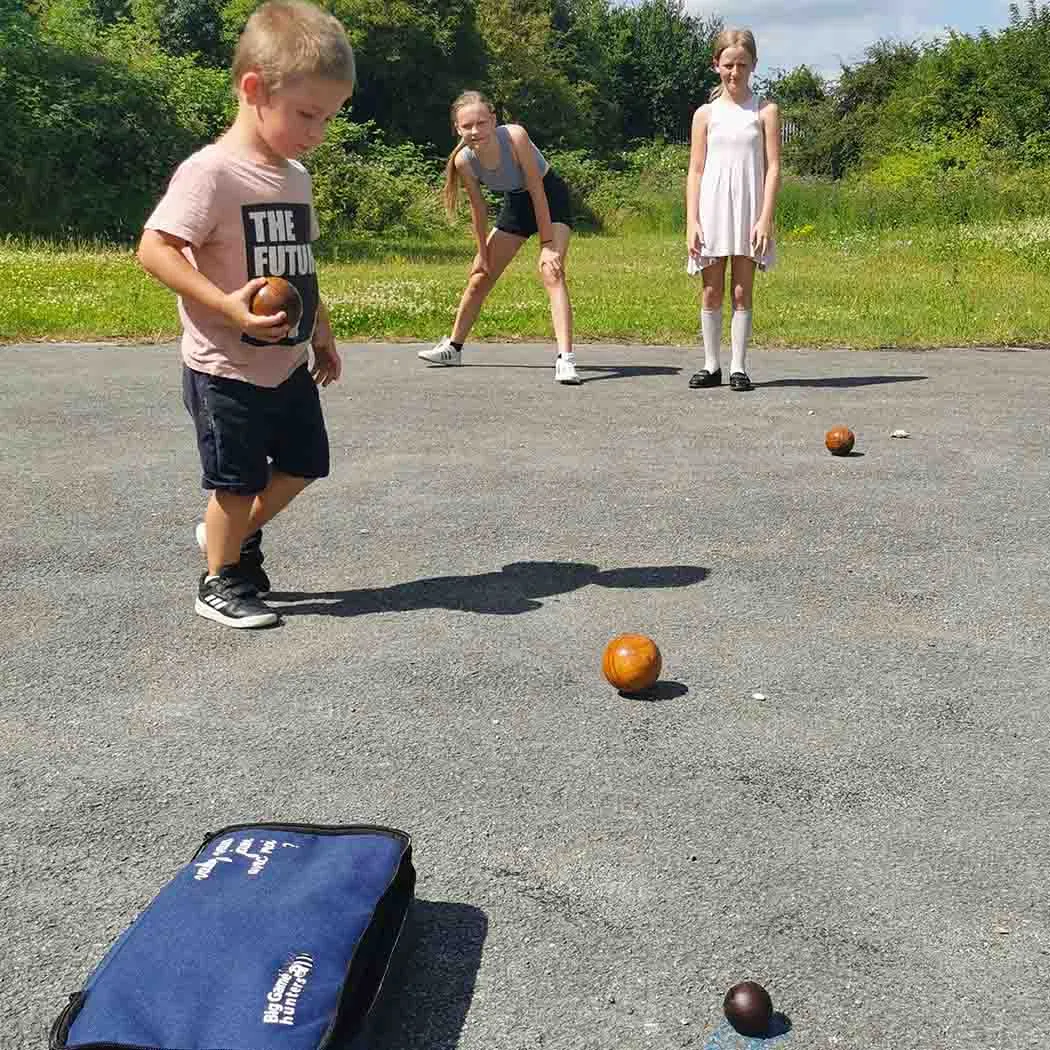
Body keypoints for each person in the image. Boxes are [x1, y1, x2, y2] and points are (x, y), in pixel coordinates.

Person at [136, 0, 354, 628]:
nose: (317, 131)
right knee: (233, 482)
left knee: (306, 463)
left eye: (329, 117)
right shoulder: (212, 173)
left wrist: (322, 332)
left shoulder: (296, 178)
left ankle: (225, 540)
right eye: (307, 114)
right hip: (224, 367)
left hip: (284, 364)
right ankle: (219, 581)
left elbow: (299, 266)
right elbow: (156, 247)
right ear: (254, 89)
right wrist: (223, 303)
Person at [418, 91, 582, 385]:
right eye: (467, 126)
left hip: (549, 197)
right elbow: (479, 211)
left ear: (493, 121)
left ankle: (566, 360)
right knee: (480, 277)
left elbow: (536, 189)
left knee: (551, 272)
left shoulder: (514, 136)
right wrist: (482, 254)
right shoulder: (464, 161)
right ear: (457, 128)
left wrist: (547, 246)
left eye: (481, 123)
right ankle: (453, 348)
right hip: (517, 205)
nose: (475, 131)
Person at [685, 28, 781, 392]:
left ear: (753, 65)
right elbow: (695, 170)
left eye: (742, 64)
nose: (735, 72)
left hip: (749, 210)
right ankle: (711, 365)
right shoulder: (705, 114)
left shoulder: (765, 111)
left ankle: (739, 366)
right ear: (716, 65)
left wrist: (764, 218)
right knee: (711, 290)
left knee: (742, 290)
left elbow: (773, 167)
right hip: (711, 209)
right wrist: (691, 220)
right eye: (728, 64)